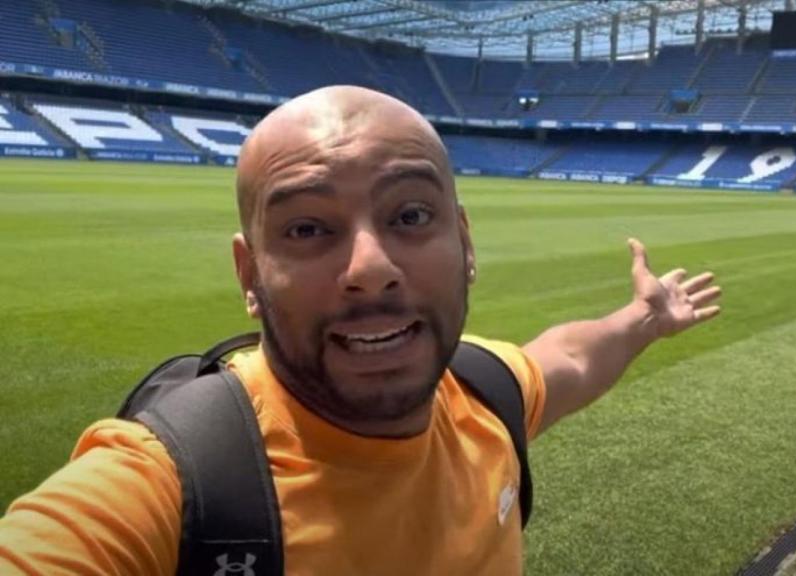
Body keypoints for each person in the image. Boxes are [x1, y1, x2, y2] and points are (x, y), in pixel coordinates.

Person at [0, 86, 721, 575]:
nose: (370, 269)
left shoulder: (487, 392)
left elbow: (565, 358)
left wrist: (643, 319)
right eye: (308, 228)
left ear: (466, 244)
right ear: (249, 275)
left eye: (409, 216)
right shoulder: (170, 484)